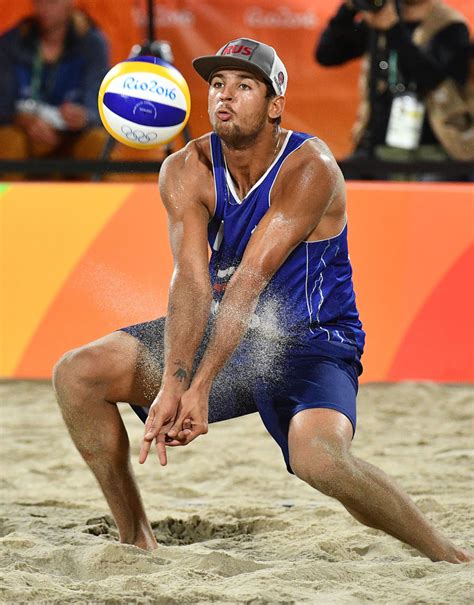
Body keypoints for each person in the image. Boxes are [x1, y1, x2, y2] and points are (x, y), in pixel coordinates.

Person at [53, 37, 471, 562]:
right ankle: (135, 535)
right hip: (227, 333)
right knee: (78, 373)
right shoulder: (187, 168)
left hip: (311, 343)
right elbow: (191, 281)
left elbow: (249, 281)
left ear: (275, 105)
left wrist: (199, 388)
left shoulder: (309, 167)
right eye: (218, 85)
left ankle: (448, 556)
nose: (225, 96)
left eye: (244, 85)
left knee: (322, 461)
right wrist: (175, 383)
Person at [315, 0, 472, 177]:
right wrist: (349, 8)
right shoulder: (379, 17)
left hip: (436, 150)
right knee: (336, 182)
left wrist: (393, 29)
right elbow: (327, 54)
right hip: (378, 148)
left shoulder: (451, 26)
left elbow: (430, 78)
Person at [0, 0, 109, 173]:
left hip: (74, 135)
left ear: (70, 3)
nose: (44, 8)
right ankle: (7, 200)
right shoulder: (12, 42)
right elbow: (3, 106)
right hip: (28, 134)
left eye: (52, 2)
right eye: (38, 2)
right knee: (8, 140)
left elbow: (101, 109)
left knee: (99, 142)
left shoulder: (92, 43)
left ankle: (109, 199)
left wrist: (84, 117)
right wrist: (22, 119)